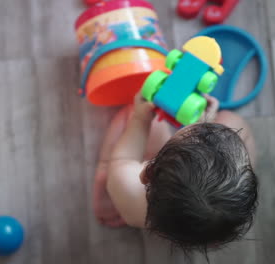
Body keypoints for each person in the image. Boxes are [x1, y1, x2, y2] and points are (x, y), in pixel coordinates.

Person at [93, 92, 258, 252]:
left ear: (147, 172)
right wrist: (208, 122)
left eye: (195, 131)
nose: (204, 128)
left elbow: (123, 159)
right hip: (202, 233)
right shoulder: (221, 224)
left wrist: (140, 119)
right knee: (233, 120)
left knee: (129, 114)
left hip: (133, 207)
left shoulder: (131, 192)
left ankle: (104, 198)